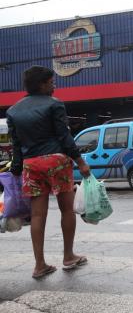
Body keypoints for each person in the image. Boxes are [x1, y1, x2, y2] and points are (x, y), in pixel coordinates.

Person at [6, 65, 91, 279]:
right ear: (42, 84)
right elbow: (64, 137)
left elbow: (16, 146)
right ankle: (68, 256)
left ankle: (39, 265)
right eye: (52, 82)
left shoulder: (13, 111)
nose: (54, 85)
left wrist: (16, 170)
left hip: (31, 164)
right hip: (56, 161)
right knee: (67, 210)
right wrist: (80, 161)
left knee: (36, 215)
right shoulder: (54, 105)